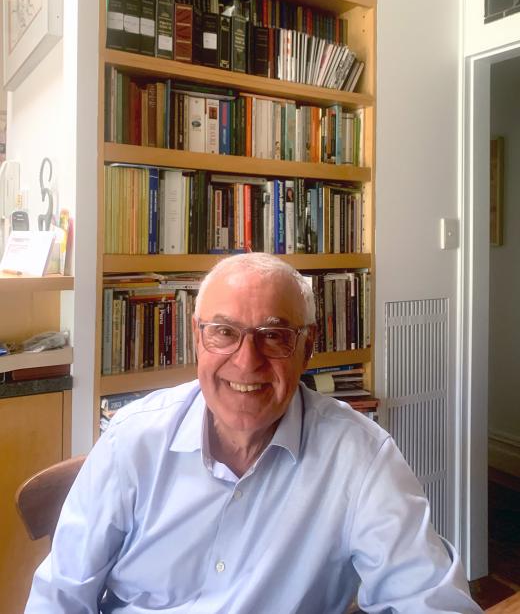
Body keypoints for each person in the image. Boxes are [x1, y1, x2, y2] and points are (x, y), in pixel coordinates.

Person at [25, 253, 482, 613]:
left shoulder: (360, 457)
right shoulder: (132, 439)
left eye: (274, 335)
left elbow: (431, 600)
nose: (247, 361)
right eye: (224, 332)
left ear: (308, 346)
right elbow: (60, 597)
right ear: (196, 338)